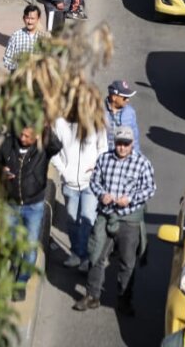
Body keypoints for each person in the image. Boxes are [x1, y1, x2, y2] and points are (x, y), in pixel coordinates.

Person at [75, 125, 156, 316]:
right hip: (105, 215)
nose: (122, 148)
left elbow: (150, 188)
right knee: (96, 255)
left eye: (126, 144)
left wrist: (131, 198)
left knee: (127, 263)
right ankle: (92, 295)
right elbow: (94, 181)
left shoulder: (142, 163)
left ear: (132, 144)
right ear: (115, 142)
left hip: (129, 220)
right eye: (119, 143)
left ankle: (124, 300)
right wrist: (102, 194)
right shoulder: (104, 159)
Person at [0, 122, 62, 302]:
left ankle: (21, 282)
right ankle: (14, 265)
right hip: (11, 204)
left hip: (34, 206)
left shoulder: (43, 148)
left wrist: (47, 128)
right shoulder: (9, 143)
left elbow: (57, 146)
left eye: (28, 137)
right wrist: (1, 172)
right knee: (11, 242)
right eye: (21, 135)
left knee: (30, 248)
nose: (23, 139)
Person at [52, 114, 106, 271]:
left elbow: (103, 148)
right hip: (70, 184)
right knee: (72, 220)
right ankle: (76, 254)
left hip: (90, 183)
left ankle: (87, 257)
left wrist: (97, 168)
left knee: (87, 219)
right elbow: (52, 149)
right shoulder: (59, 124)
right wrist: (63, 170)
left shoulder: (96, 122)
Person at [3, 4, 45, 71]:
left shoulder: (44, 37)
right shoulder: (16, 36)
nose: (29, 22)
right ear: (23, 18)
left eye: (32, 19)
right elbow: (7, 59)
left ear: (38, 19)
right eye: (27, 18)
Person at [104, 79, 141, 152]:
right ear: (114, 97)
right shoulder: (99, 111)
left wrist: (136, 154)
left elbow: (134, 138)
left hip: (124, 156)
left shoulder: (130, 112)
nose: (128, 100)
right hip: (106, 157)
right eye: (125, 98)